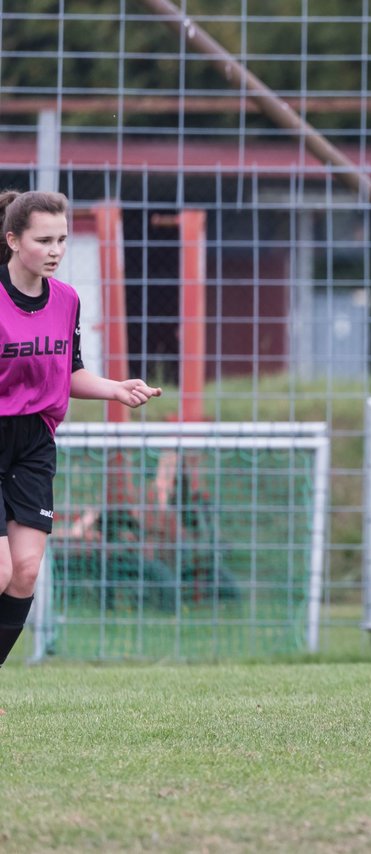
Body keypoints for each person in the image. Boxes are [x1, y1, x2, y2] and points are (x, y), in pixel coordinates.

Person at [0, 190, 162, 668]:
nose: (55, 250)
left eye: (63, 240)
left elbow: (68, 372)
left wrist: (116, 389)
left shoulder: (67, 300)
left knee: (25, 572)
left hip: (33, 444)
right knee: (1, 567)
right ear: (12, 240)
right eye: (43, 240)